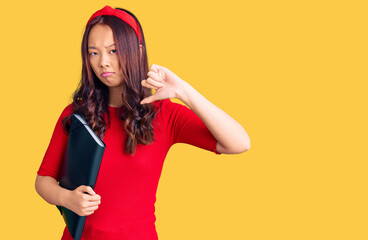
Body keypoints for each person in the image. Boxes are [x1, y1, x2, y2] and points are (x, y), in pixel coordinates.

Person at [35, 5, 250, 240]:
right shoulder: (76, 114)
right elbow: (43, 179)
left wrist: (184, 92)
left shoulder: (165, 114)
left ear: (137, 52)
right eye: (93, 52)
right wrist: (67, 199)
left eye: (113, 50)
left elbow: (239, 143)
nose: (103, 62)